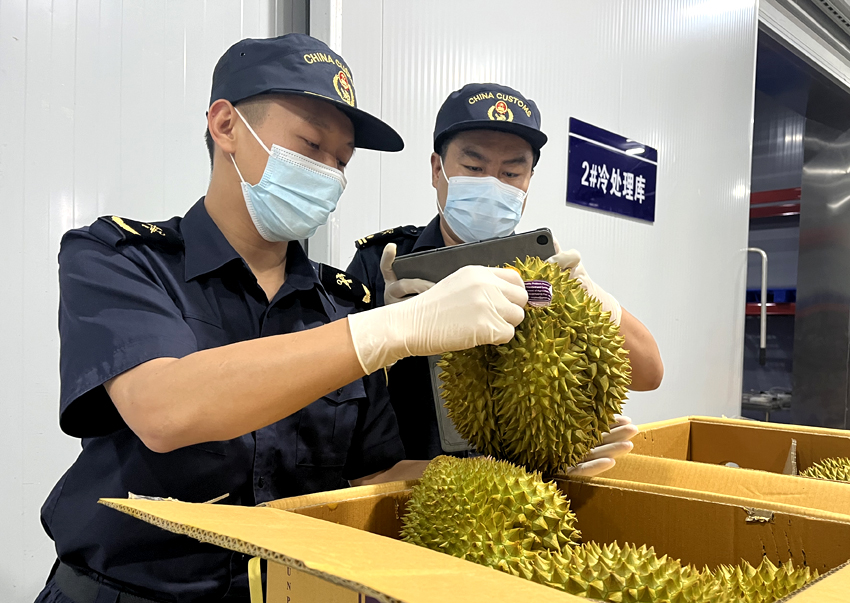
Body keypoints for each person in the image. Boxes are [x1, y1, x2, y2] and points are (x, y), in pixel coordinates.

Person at [36, 36, 529, 603]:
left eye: (342, 161)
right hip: (125, 593)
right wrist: (390, 330)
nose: (329, 173)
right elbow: (163, 409)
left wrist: (524, 467)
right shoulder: (120, 258)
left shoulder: (341, 301)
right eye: (311, 146)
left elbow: (372, 476)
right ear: (226, 127)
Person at [347, 83, 664, 469]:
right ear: (437, 169)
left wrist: (593, 296)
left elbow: (649, 372)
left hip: (523, 486)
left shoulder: (548, 273)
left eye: (512, 172)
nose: (493, 184)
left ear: (529, 180)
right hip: (410, 490)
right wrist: (387, 337)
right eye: (474, 167)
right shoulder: (384, 263)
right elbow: (329, 397)